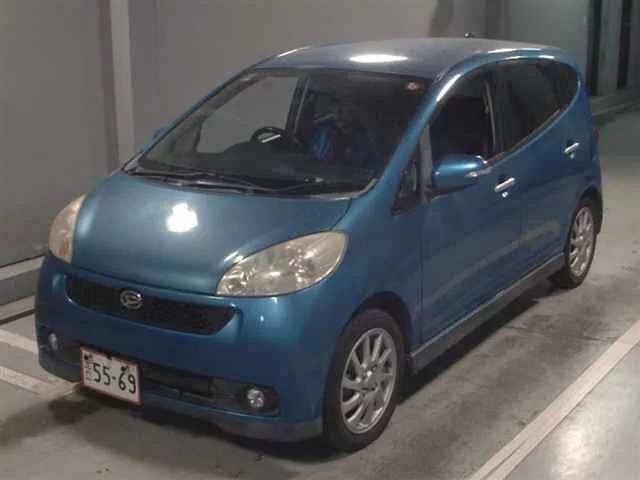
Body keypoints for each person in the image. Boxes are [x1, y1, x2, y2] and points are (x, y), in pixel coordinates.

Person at [309, 96, 382, 170]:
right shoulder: (322, 132)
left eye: (344, 105)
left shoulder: (368, 138)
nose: (338, 112)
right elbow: (317, 160)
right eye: (335, 104)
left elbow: (374, 166)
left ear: (356, 110)